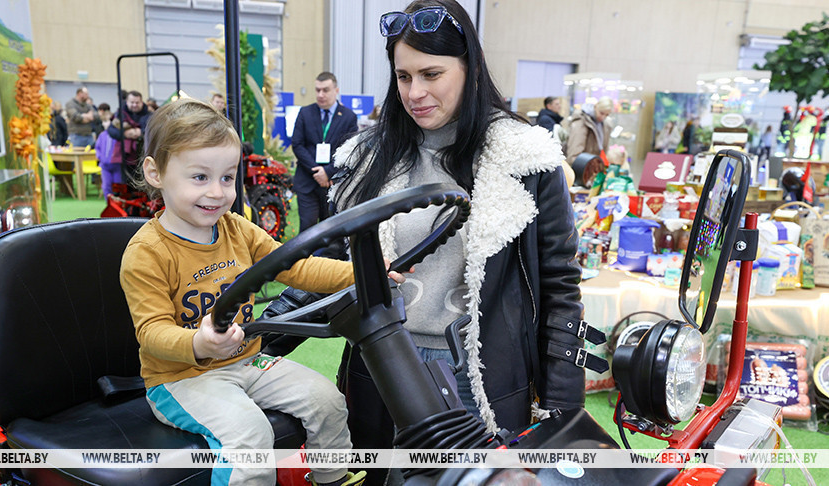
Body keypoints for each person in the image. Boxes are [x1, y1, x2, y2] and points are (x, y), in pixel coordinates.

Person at [330, 1, 589, 482]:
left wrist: (561, 407)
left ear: (469, 68)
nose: (415, 92)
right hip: (385, 365)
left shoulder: (524, 157)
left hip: (480, 376)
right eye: (403, 76)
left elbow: (559, 287)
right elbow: (325, 265)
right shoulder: (368, 157)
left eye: (431, 73)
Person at [119, 98, 367, 486]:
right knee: (251, 435)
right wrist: (199, 344)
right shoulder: (147, 252)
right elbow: (151, 332)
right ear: (155, 172)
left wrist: (362, 273)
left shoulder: (237, 229)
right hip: (180, 379)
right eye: (199, 177)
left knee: (327, 399)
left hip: (247, 361)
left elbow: (297, 266)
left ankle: (331, 478)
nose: (217, 192)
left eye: (227, 177)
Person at [291, 72, 358, 232]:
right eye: (317, 90)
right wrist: (317, 171)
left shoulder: (348, 117)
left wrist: (328, 172)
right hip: (308, 180)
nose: (320, 95)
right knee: (308, 229)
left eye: (325, 90)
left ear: (336, 90)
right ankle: (306, 258)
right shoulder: (305, 113)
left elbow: (348, 150)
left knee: (332, 232)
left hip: (334, 183)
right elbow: (297, 144)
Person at [108, 90, 151, 180]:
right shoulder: (120, 115)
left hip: (143, 155)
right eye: (132, 102)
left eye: (137, 102)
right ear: (127, 102)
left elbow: (154, 130)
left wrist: (141, 132)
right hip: (123, 157)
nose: (134, 105)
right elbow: (111, 130)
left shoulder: (149, 115)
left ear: (141, 102)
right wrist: (124, 134)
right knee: (123, 185)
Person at [566, 96, 613, 165]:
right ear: (596, 107)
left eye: (607, 115)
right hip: (581, 168)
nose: (603, 117)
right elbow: (574, 153)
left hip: (591, 165)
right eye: (601, 113)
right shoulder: (582, 121)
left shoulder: (603, 124)